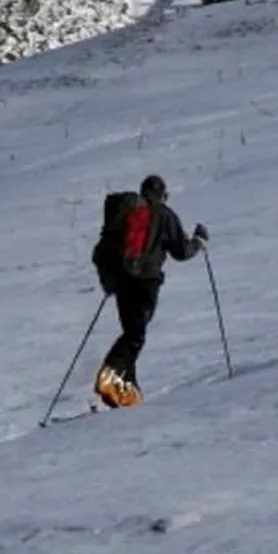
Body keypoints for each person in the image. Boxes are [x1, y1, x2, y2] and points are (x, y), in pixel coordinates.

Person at [92, 173, 207, 407]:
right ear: (162, 193)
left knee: (131, 331)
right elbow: (181, 251)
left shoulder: (128, 214)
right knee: (136, 334)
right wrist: (199, 242)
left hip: (122, 281)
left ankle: (127, 391)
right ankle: (111, 372)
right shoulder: (163, 214)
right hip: (146, 280)